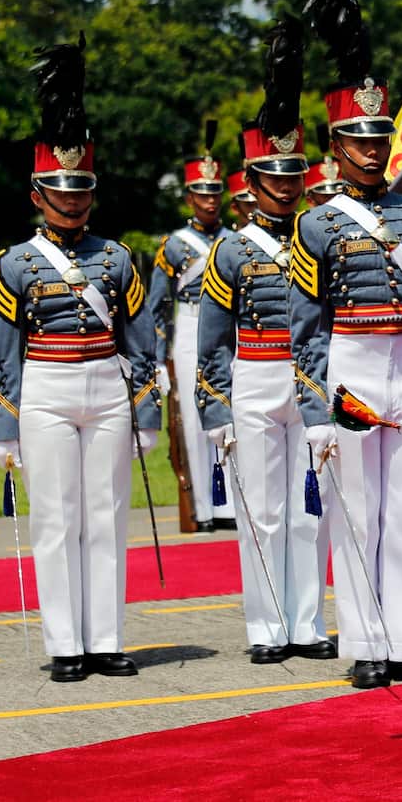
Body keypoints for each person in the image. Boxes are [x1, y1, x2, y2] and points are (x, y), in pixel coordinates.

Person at [286, 0, 402, 690]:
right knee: (355, 510)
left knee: (401, 509)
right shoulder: (317, 224)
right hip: (351, 364)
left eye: (381, 139)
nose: (373, 150)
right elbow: (306, 327)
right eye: (359, 140)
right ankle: (365, 644)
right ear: (335, 147)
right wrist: (317, 408)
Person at [0, 36, 160, 683]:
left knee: (107, 516)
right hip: (47, 388)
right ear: (38, 192)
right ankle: (66, 645)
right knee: (55, 518)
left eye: (82, 189)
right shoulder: (16, 263)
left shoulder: (116, 259)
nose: (75, 201)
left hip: (107, 389)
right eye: (63, 190)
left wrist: (146, 410)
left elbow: (141, 345)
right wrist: (1, 428)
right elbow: (2, 356)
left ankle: (107, 638)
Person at [197, 17, 333, 665]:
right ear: (250, 183)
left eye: (292, 175)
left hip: (308, 381)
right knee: (263, 511)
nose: (284, 185)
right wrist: (216, 410)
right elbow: (211, 344)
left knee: (311, 509)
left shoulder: (318, 235)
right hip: (253, 377)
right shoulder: (229, 250)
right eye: (271, 176)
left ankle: (307, 623)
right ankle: (265, 627)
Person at [149, 125, 232, 532]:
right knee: (195, 422)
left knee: (231, 413)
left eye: (215, 194)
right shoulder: (173, 244)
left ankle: (230, 506)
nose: (210, 202)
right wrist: (160, 359)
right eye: (202, 194)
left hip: (229, 327)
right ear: (189, 198)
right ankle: (202, 507)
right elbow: (157, 304)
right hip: (190, 323)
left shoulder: (235, 240)